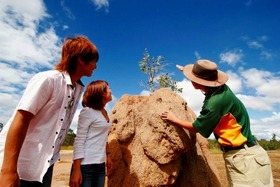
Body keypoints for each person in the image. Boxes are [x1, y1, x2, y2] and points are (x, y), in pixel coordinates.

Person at [0, 36, 99, 187]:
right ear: (81, 59)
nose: (95, 66)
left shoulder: (77, 89)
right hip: (20, 164)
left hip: (45, 165)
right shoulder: (48, 79)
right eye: (93, 61)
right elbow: (21, 119)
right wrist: (8, 171)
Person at [161, 59, 274, 187]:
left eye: (191, 77)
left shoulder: (215, 102)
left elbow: (197, 127)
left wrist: (174, 119)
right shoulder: (221, 89)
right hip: (247, 156)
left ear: (197, 82)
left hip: (244, 159)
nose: (190, 80)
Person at [69, 80, 113, 187]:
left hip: (100, 165)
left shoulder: (105, 112)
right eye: (108, 88)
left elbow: (104, 137)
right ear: (101, 92)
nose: (111, 90)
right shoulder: (87, 112)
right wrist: (76, 170)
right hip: (85, 166)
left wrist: (108, 156)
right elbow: (79, 141)